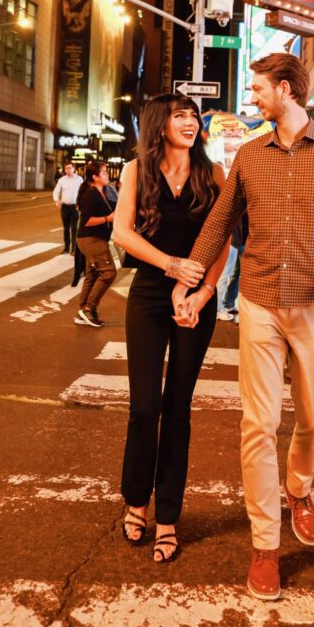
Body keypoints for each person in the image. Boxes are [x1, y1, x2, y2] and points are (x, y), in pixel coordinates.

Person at [172, 52, 314, 601]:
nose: (252, 98)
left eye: (258, 89)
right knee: (258, 425)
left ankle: (299, 489)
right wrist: (192, 280)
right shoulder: (251, 157)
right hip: (258, 301)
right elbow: (220, 222)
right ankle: (265, 544)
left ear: (286, 89)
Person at [113, 94, 229, 563]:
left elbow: (223, 239)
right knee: (144, 407)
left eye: (193, 115)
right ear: (159, 123)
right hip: (149, 293)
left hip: (197, 297)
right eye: (179, 114)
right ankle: (135, 501)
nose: (189, 121)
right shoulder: (135, 170)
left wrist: (201, 293)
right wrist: (172, 267)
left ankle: (168, 517)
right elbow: (122, 232)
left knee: (177, 408)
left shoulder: (213, 173)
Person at [74, 161, 117, 328]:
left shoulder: (103, 192)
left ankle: (83, 310)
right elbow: (86, 221)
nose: (107, 175)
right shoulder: (90, 195)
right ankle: (88, 309)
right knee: (108, 273)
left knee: (92, 274)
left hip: (96, 238)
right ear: (95, 177)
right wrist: (108, 219)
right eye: (104, 173)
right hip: (91, 239)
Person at [53, 161, 83, 254]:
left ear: (74, 169)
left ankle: (74, 249)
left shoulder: (79, 179)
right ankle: (66, 248)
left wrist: (81, 203)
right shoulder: (62, 180)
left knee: (74, 228)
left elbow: (82, 191)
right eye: (66, 168)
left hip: (75, 207)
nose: (68, 170)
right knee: (66, 228)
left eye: (70, 168)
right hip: (65, 207)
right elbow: (56, 191)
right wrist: (56, 200)